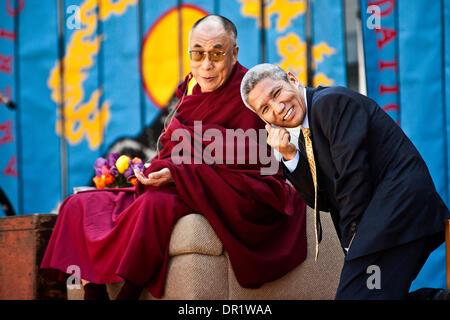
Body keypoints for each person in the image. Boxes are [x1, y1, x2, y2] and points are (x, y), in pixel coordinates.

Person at [41, 16, 308, 300]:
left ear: (234, 53)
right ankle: (95, 290)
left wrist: (179, 173)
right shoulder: (190, 91)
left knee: (154, 205)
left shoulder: (248, 96)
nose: (206, 65)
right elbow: (173, 148)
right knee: (81, 204)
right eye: (197, 54)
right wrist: (162, 170)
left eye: (217, 54)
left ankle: (127, 294)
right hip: (184, 183)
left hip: (226, 191)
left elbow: (258, 166)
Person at [240, 63, 450, 300]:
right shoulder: (304, 135)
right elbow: (322, 200)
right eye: (265, 109)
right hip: (383, 225)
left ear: (293, 79)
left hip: (400, 214)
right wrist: (289, 155)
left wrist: (353, 243)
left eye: (277, 93)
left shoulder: (330, 103)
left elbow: (353, 177)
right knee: (376, 295)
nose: (278, 108)